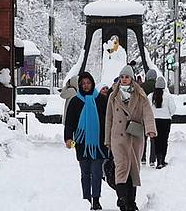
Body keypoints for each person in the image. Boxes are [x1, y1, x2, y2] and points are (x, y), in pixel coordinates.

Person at [104, 65, 156, 211]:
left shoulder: (140, 95)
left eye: (127, 77)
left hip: (134, 137)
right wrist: (107, 140)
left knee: (133, 170)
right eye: (122, 77)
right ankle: (122, 198)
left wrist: (150, 130)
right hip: (118, 138)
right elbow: (109, 119)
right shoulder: (113, 96)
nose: (124, 79)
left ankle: (131, 202)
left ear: (132, 78)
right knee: (121, 167)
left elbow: (147, 113)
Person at [64, 72, 108, 210]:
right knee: (85, 173)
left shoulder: (101, 100)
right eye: (83, 83)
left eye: (88, 83)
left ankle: (96, 199)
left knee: (97, 172)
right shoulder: (75, 101)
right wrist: (68, 138)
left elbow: (108, 121)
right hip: (81, 142)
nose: (86, 85)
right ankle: (86, 199)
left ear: (92, 83)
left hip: (99, 143)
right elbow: (69, 122)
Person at [149, 76, 176, 168]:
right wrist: (168, 114)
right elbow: (173, 109)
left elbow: (147, 108)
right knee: (164, 140)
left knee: (156, 141)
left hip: (154, 120)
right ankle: (162, 160)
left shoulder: (151, 96)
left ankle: (157, 159)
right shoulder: (168, 96)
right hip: (165, 121)